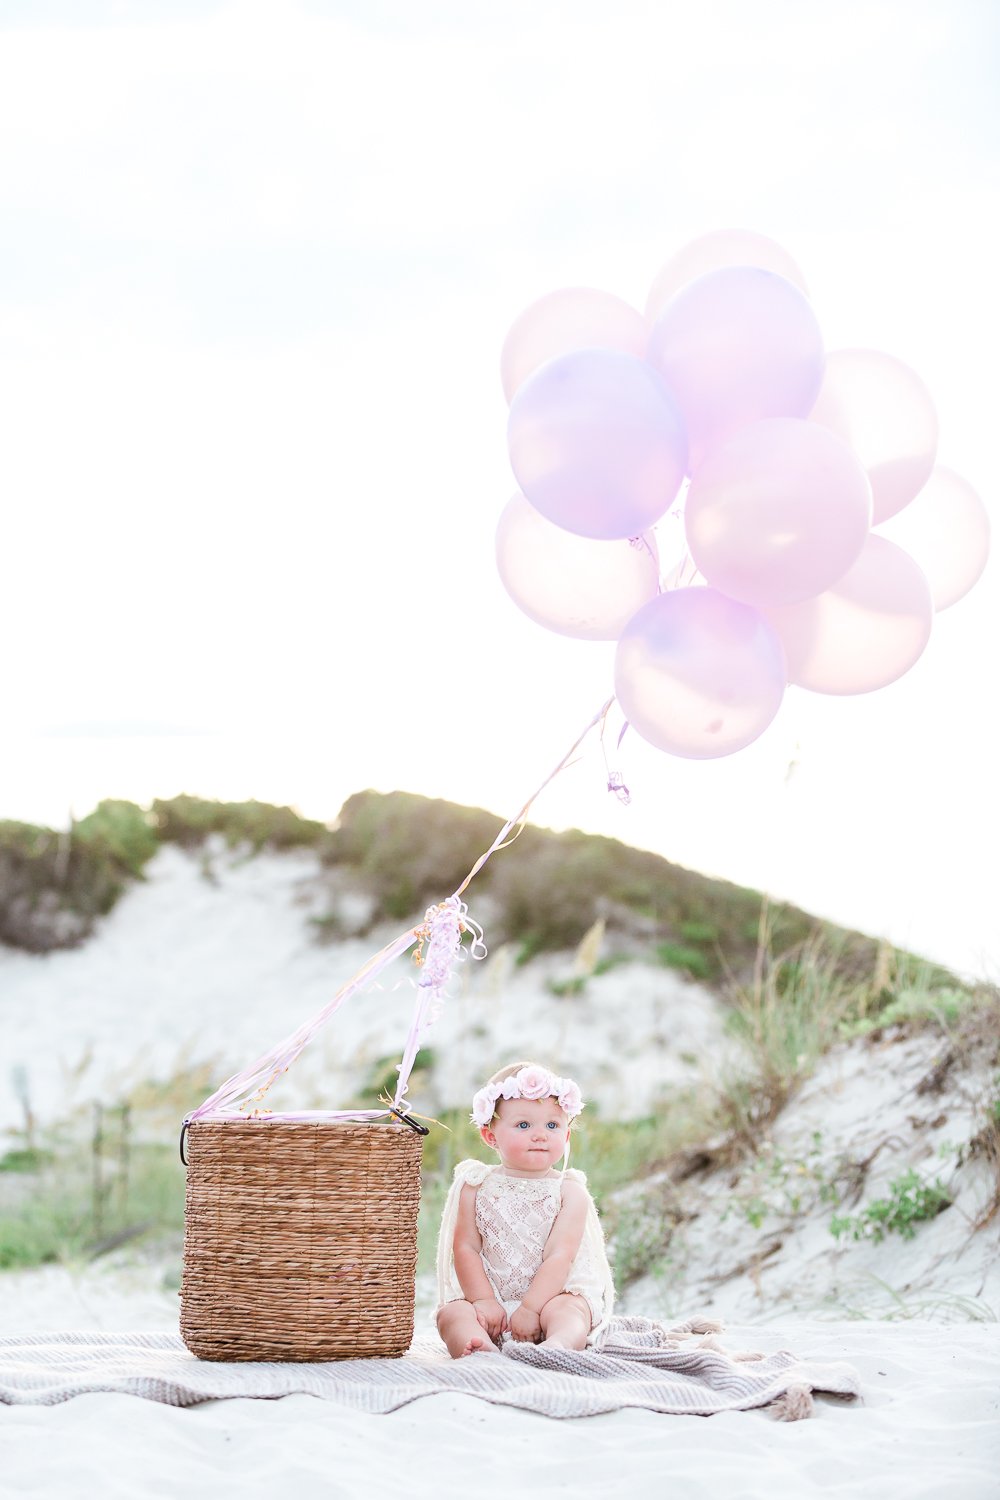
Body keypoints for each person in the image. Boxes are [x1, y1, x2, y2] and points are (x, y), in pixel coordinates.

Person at [435, 1060, 615, 1358]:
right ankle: (479, 1350)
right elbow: (465, 1247)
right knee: (451, 1314)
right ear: (490, 1136)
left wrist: (531, 1308)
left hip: (549, 1300)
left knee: (571, 1310)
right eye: (523, 1125)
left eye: (552, 1125)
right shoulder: (475, 1185)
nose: (540, 1134)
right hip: (493, 1304)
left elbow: (560, 1255)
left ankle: (559, 1345)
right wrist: (483, 1300)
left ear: (566, 1135)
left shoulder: (569, 1191)